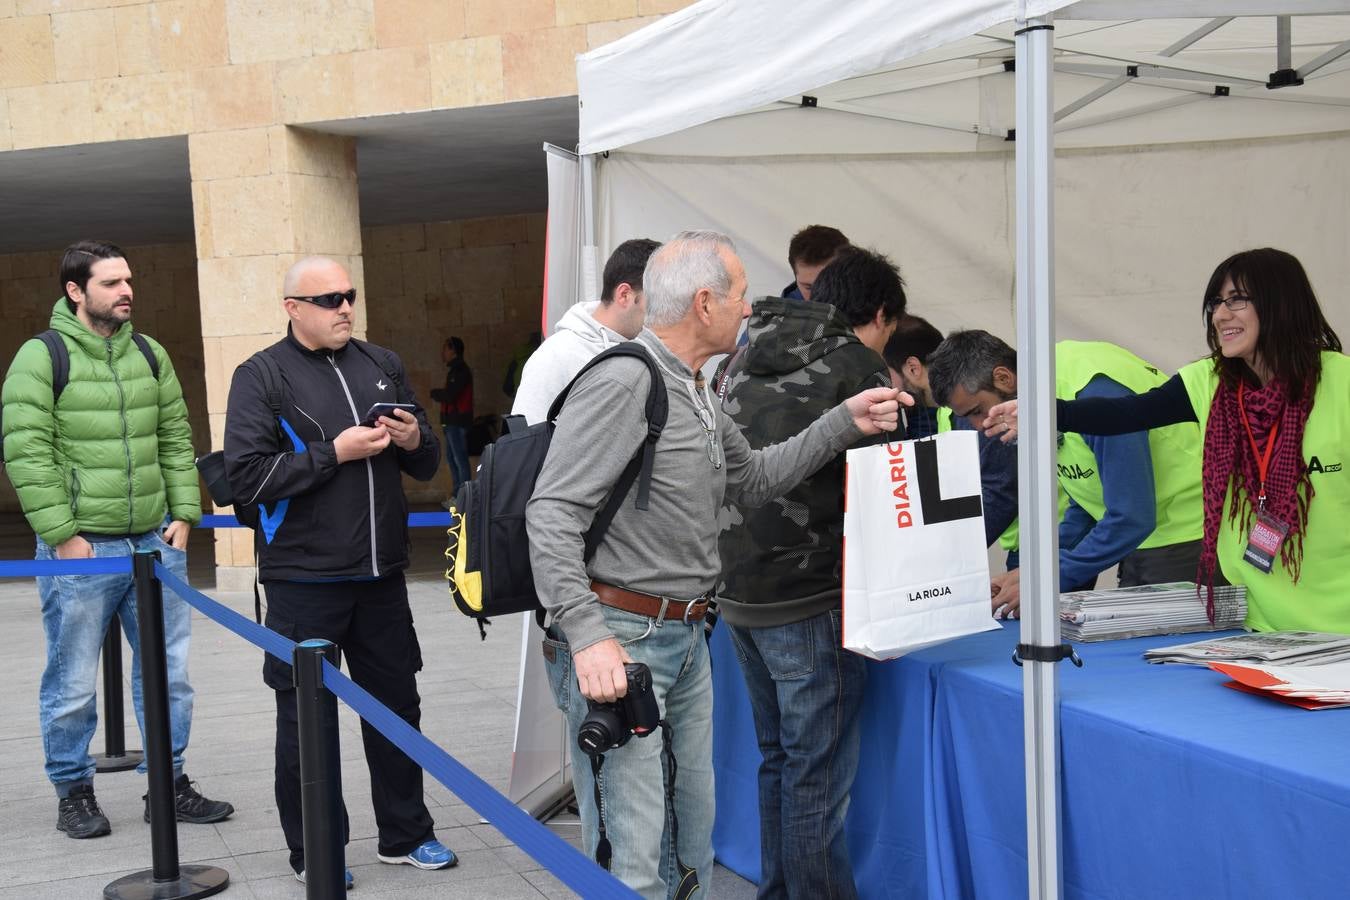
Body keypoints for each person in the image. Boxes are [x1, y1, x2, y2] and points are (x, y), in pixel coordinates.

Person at [527, 231, 905, 899]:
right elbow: (552, 512)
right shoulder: (626, 380)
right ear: (705, 303)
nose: (749, 307)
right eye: (738, 294)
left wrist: (842, 421)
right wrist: (587, 635)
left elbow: (755, 479)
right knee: (635, 855)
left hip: (685, 635)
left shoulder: (696, 386)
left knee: (689, 839)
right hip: (625, 640)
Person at [223, 256, 454, 885]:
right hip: (304, 582)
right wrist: (335, 453)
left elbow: (428, 461)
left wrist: (412, 441)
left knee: (397, 708)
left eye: (349, 294)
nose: (344, 307)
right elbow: (244, 478)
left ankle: (407, 834)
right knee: (306, 722)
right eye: (327, 299)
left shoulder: (381, 363)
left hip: (381, 577)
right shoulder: (261, 375)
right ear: (293, 308)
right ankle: (317, 851)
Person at [984, 248, 1348, 633]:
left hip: (1339, 606)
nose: (1221, 314)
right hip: (1259, 611)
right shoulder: (1209, 381)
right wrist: (1049, 411)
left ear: (1281, 303)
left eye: (1237, 300)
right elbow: (1128, 413)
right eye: (1216, 303)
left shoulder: (1341, 381)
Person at [1, 240, 232, 839]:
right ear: (76, 291)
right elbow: (27, 451)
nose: (126, 291)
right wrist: (63, 535)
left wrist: (185, 513)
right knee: (72, 678)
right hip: (82, 549)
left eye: (128, 280)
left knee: (167, 673)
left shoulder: (151, 355)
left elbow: (177, 438)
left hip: (155, 544)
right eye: (111, 283)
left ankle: (169, 783)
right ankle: (73, 792)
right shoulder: (41, 356)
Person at [716, 247, 902, 900]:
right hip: (810, 593)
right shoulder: (858, 365)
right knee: (815, 775)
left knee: (779, 761)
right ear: (880, 315)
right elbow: (894, 481)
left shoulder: (745, 348)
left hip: (738, 587)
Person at [928, 330, 1206, 617]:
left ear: (1003, 378)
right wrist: (1033, 570)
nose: (978, 426)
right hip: (1145, 539)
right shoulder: (1042, 389)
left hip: (1185, 537)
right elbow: (1088, 498)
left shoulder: (1089, 389)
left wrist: (1048, 578)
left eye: (977, 410)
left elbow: (1132, 516)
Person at [883, 315, 1019, 551]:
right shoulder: (946, 411)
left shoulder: (978, 406)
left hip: (1047, 541)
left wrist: (947, 555)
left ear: (913, 367)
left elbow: (1000, 494)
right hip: (1033, 540)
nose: (886, 384)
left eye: (886, 371)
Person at [512, 238, 660, 424]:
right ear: (625, 295)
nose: (663, 312)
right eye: (656, 302)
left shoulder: (650, 350)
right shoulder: (556, 355)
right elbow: (527, 441)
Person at [429, 336, 473, 488]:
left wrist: (435, 393)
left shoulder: (460, 370)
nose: (443, 352)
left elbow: (451, 395)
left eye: (445, 348)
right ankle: (457, 495)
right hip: (451, 422)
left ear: (453, 351)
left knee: (459, 459)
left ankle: (464, 497)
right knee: (452, 458)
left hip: (457, 422)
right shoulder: (455, 370)